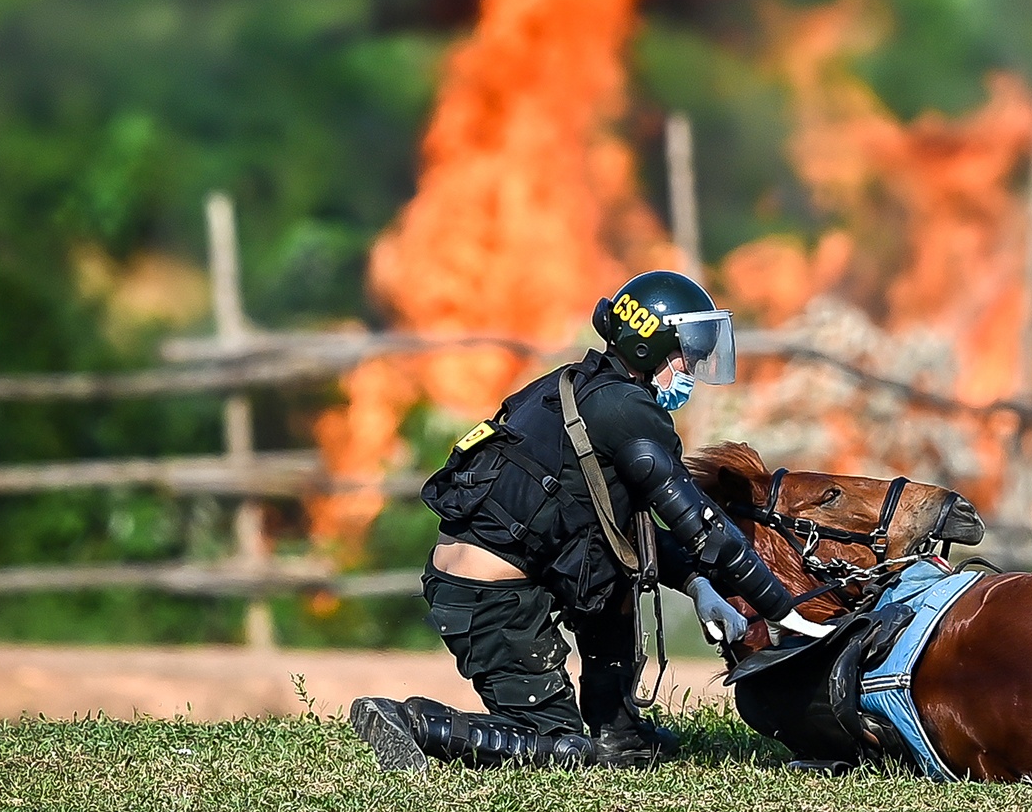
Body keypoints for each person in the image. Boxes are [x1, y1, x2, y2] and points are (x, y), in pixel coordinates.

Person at [353, 270, 824, 771]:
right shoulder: (627, 410)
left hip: (507, 579)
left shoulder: (580, 388)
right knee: (560, 748)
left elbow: (626, 536)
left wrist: (697, 585)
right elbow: (699, 525)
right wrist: (782, 608)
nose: (695, 364)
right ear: (650, 346)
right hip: (487, 599)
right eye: (687, 349)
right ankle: (412, 722)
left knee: (613, 571)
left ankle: (618, 733)